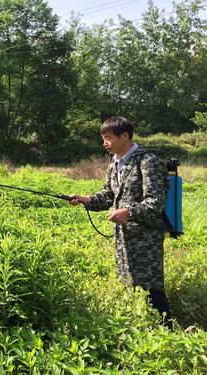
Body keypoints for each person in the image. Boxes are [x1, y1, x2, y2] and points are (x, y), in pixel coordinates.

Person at [69, 116, 173, 328]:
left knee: (151, 287)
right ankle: (141, 328)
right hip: (123, 238)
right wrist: (86, 200)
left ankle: (168, 330)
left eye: (108, 138)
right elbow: (108, 195)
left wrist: (129, 212)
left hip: (146, 239)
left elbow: (155, 202)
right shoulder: (114, 164)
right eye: (103, 138)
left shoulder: (148, 161)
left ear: (125, 136)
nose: (104, 143)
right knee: (129, 283)